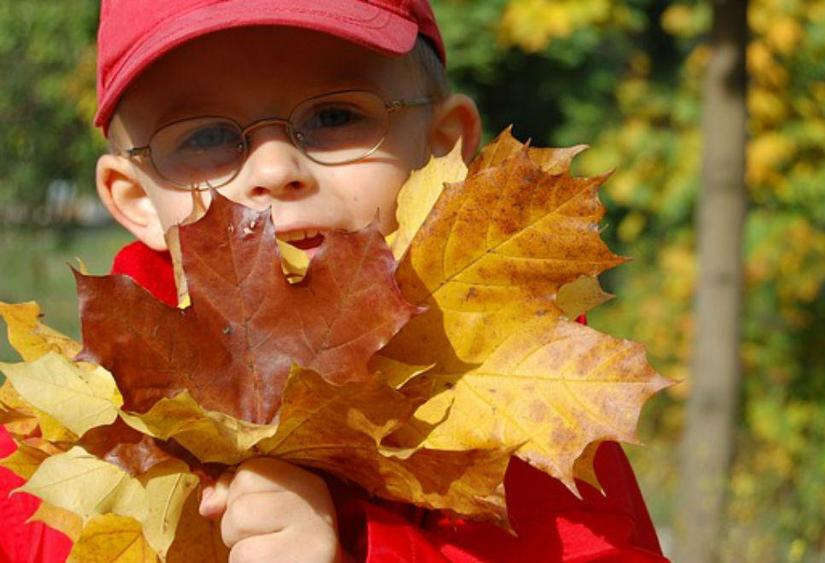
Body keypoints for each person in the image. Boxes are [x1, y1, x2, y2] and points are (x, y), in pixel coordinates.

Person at [0, 1, 666, 561]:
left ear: (443, 148)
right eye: (204, 136)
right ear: (136, 198)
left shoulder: (523, 400)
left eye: (334, 117)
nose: (275, 167)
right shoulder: (61, 450)